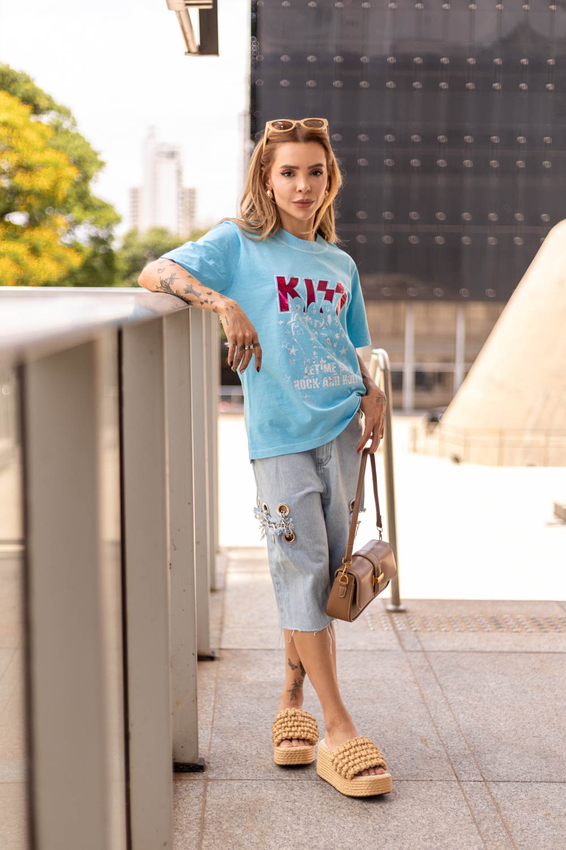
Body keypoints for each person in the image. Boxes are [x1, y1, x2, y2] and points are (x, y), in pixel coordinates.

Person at [138, 117, 391, 797]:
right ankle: (338, 727)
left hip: (343, 429)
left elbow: (354, 344)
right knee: (299, 568)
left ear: (330, 179)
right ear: (266, 180)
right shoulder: (238, 244)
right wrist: (223, 304)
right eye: (288, 173)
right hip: (279, 438)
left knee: (322, 578)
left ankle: (290, 698)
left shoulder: (340, 264)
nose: (302, 185)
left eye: (314, 172)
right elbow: (155, 272)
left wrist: (374, 391)